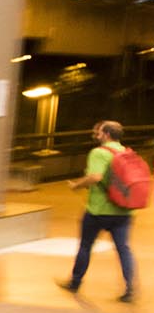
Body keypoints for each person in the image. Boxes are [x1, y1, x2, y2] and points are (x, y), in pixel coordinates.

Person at [58, 120, 138, 303]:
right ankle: (130, 289)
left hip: (98, 210)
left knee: (86, 245)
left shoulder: (99, 152)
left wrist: (76, 185)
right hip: (124, 211)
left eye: (99, 132)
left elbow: (95, 176)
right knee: (124, 249)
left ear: (107, 134)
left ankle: (75, 282)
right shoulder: (127, 152)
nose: (96, 135)